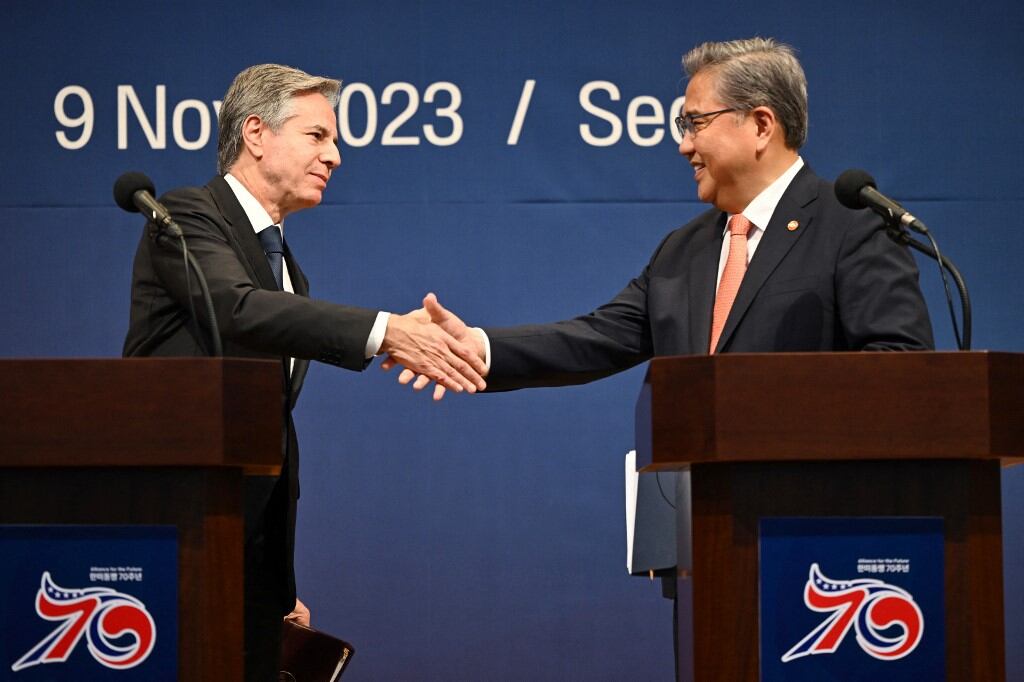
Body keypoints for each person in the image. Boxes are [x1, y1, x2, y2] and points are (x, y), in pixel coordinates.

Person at [123, 63, 487, 680]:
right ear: (256, 134)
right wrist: (383, 331)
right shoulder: (184, 218)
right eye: (318, 136)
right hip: (173, 537)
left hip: (244, 552)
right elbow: (238, 309)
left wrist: (272, 580)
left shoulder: (285, 264)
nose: (336, 156)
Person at [387, 37, 933, 397]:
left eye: (696, 123)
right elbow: (596, 339)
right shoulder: (684, 251)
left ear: (762, 125)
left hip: (817, 528)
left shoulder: (852, 226)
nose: (683, 145)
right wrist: (476, 347)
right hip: (700, 526)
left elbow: (900, 371)